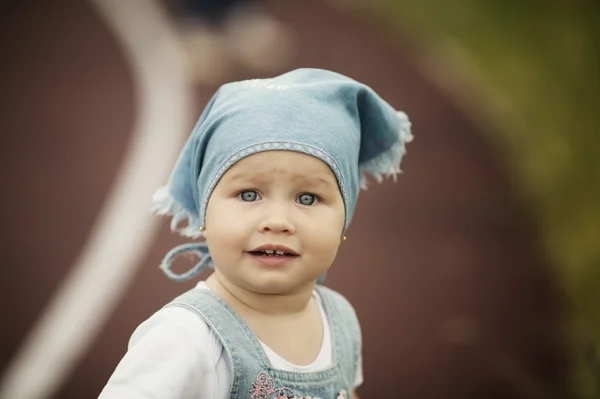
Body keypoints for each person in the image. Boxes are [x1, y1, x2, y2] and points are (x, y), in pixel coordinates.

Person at [99, 68, 413, 399]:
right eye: (249, 195)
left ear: (344, 221)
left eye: (307, 198)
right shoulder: (186, 338)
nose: (277, 221)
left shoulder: (341, 322)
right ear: (205, 211)